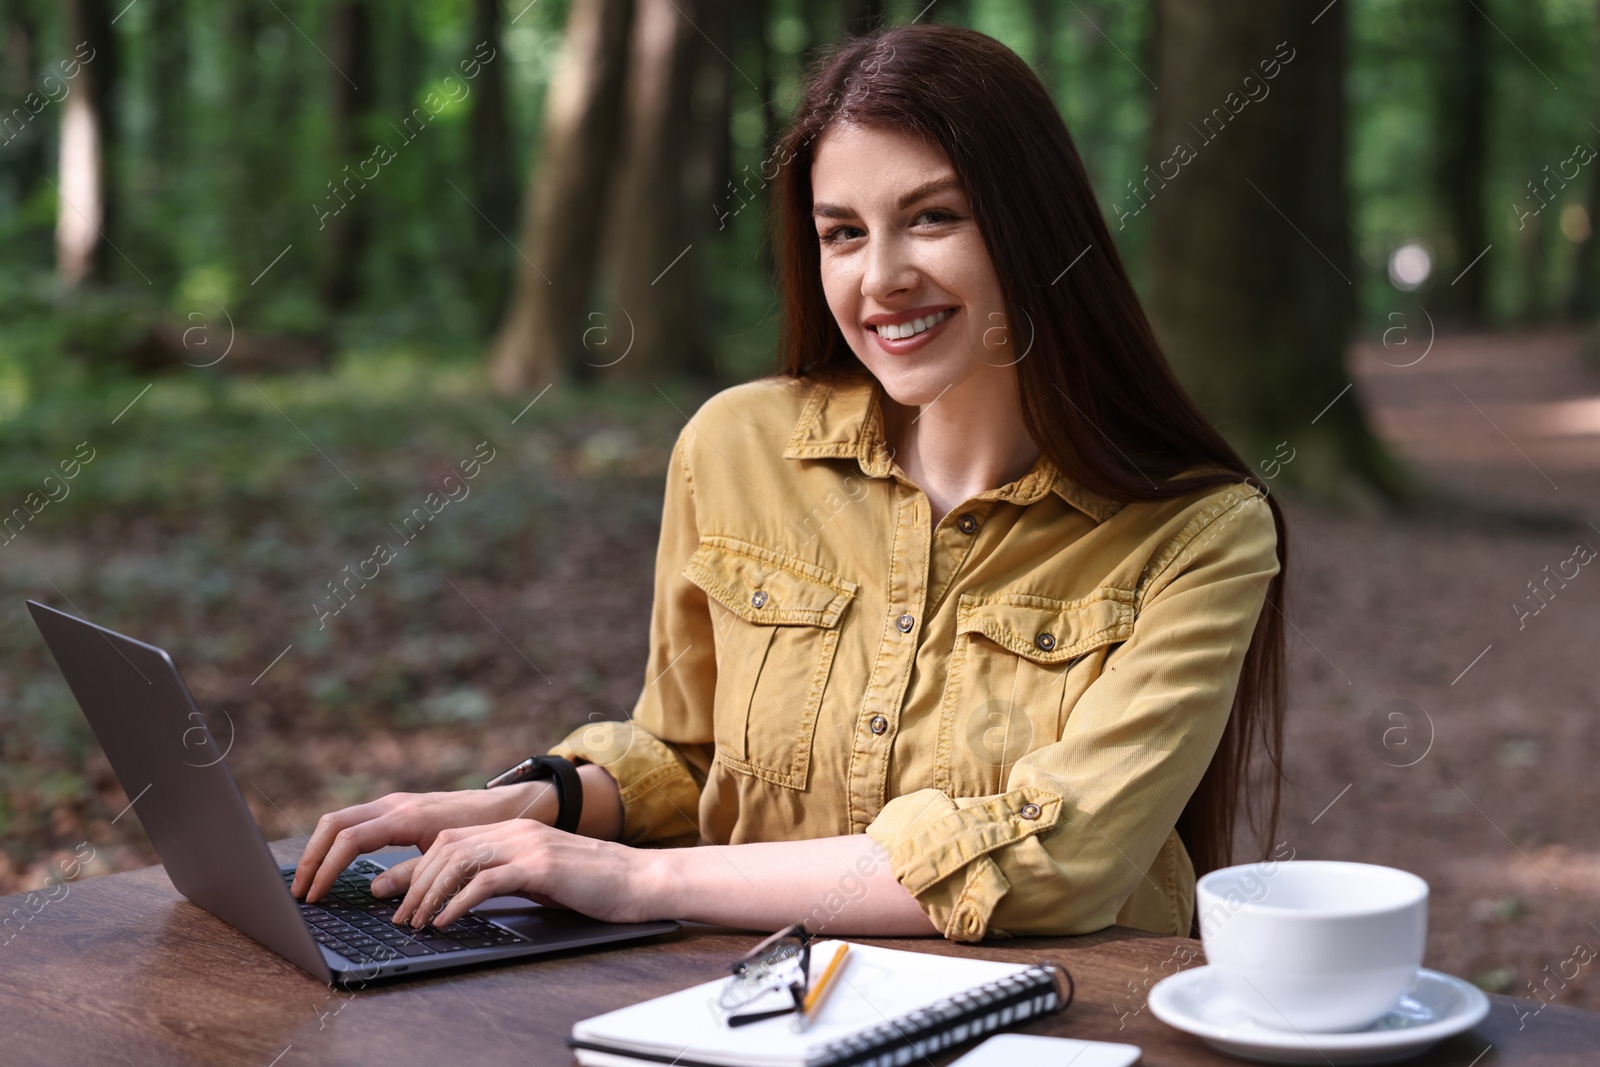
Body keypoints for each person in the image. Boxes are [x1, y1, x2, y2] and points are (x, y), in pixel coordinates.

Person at [292, 23, 1287, 943]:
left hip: (1052, 1024)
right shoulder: (735, 447)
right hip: (754, 1009)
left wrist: (634, 882)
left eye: (931, 217)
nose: (880, 276)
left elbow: (1057, 858)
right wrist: (534, 801)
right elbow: (686, 756)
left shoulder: (1200, 533)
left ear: (1033, 229)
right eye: (841, 233)